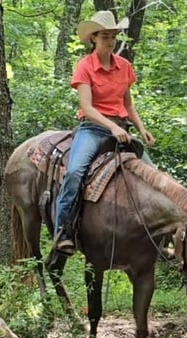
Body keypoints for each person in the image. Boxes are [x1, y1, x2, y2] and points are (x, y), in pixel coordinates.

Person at [53, 10, 156, 255]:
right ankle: (62, 231)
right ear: (94, 39)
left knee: (153, 175)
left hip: (122, 128)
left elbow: (128, 103)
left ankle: (157, 235)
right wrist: (111, 127)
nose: (110, 41)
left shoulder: (124, 67)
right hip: (93, 129)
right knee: (76, 172)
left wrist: (141, 129)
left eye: (113, 36)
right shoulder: (84, 66)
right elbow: (87, 108)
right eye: (105, 37)